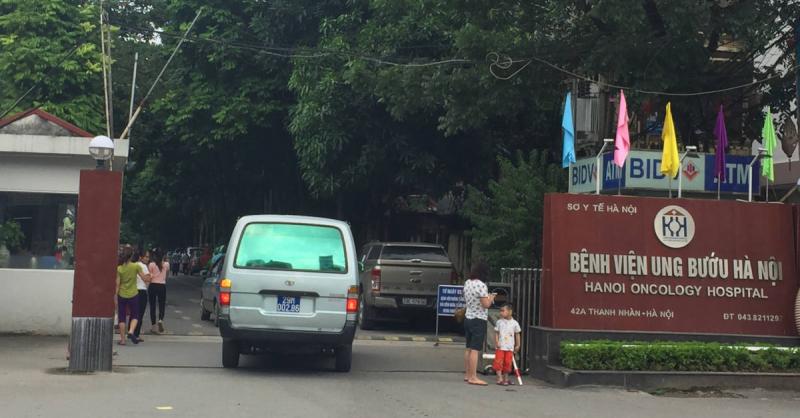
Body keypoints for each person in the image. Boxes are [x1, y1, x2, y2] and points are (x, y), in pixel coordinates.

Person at [462, 260, 495, 386]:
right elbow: (485, 304)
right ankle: (473, 377)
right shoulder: (481, 285)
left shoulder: (468, 283)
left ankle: (467, 374)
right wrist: (491, 298)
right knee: (475, 349)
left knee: (468, 348)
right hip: (478, 319)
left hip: (468, 317)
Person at [116, 247, 147, 345]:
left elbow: (117, 284)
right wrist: (150, 277)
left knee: (122, 317)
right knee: (135, 315)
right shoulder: (136, 266)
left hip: (122, 294)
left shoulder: (119, 268)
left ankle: (122, 340)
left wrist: (115, 296)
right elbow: (144, 278)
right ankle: (131, 331)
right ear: (131, 256)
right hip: (134, 294)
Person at [493, 303, 521, 386]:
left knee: (508, 363)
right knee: (498, 362)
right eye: (500, 311)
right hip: (500, 346)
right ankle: (499, 378)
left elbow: (517, 334)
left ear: (510, 311)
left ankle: (506, 378)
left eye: (503, 311)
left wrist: (518, 345)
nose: (501, 313)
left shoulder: (515, 323)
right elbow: (496, 333)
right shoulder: (499, 322)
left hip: (510, 347)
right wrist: (497, 342)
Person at [148, 249, 170, 335]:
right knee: (161, 304)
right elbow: (167, 275)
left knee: (152, 306)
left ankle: (153, 326)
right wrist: (163, 279)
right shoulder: (166, 264)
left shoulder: (151, 264)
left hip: (153, 285)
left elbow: (150, 275)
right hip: (162, 286)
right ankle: (160, 320)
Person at [132, 250, 152, 340]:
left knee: (133, 313)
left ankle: (131, 331)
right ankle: (136, 334)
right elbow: (147, 279)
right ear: (140, 257)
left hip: (133, 291)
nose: (148, 259)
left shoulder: (133, 265)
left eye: (148, 257)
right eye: (146, 257)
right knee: (140, 314)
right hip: (141, 291)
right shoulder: (143, 266)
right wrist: (150, 277)